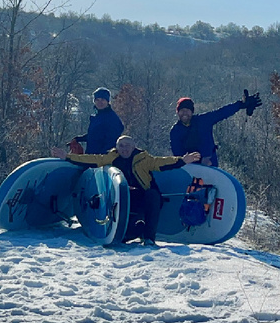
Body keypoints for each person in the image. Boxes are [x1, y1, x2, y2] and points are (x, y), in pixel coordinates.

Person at [53, 135, 200, 245]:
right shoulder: (111, 158)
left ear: (133, 147)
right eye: (121, 146)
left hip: (143, 197)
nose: (124, 149)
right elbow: (92, 159)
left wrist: (182, 160)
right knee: (128, 227)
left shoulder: (143, 159)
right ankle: (130, 230)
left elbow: (160, 162)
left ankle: (149, 238)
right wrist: (67, 157)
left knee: (153, 195)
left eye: (128, 146)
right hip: (122, 199)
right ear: (117, 147)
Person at [169, 90, 262, 168]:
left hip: (211, 167)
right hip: (190, 169)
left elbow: (221, 113)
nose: (184, 113)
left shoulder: (203, 121)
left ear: (192, 112)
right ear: (178, 112)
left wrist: (240, 105)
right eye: (182, 110)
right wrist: (199, 161)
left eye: (187, 110)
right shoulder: (175, 131)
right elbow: (178, 155)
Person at [68, 87, 124, 154]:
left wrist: (104, 154)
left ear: (107, 101)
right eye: (97, 100)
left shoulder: (112, 118)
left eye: (102, 99)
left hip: (103, 157)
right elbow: (95, 135)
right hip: (92, 155)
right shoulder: (96, 117)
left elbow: (112, 139)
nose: (100, 102)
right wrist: (79, 139)